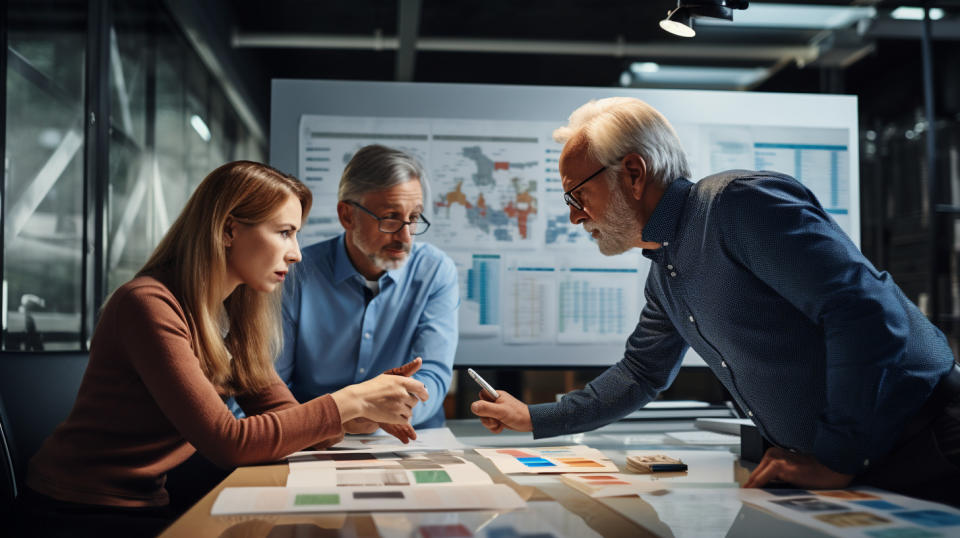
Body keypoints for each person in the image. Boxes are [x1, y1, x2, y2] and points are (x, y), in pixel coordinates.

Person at [470, 97, 960, 505]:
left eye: (577, 195)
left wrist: (836, 456)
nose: (576, 217)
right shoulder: (666, 272)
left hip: (924, 447)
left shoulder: (739, 205)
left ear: (634, 174)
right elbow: (640, 373)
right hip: (849, 467)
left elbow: (863, 312)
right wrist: (533, 417)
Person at [18, 161, 428, 537]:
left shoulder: (231, 313)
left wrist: (358, 411)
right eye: (284, 232)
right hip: (77, 514)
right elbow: (228, 442)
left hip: (145, 506)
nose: (297, 252)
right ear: (228, 230)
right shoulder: (148, 304)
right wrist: (349, 400)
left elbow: (282, 415)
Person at [277, 145, 458, 433]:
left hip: (408, 436)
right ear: (347, 216)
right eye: (390, 217)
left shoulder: (434, 271)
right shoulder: (295, 274)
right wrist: (341, 414)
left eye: (413, 218)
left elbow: (433, 376)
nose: (404, 236)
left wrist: (389, 414)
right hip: (315, 436)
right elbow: (273, 385)